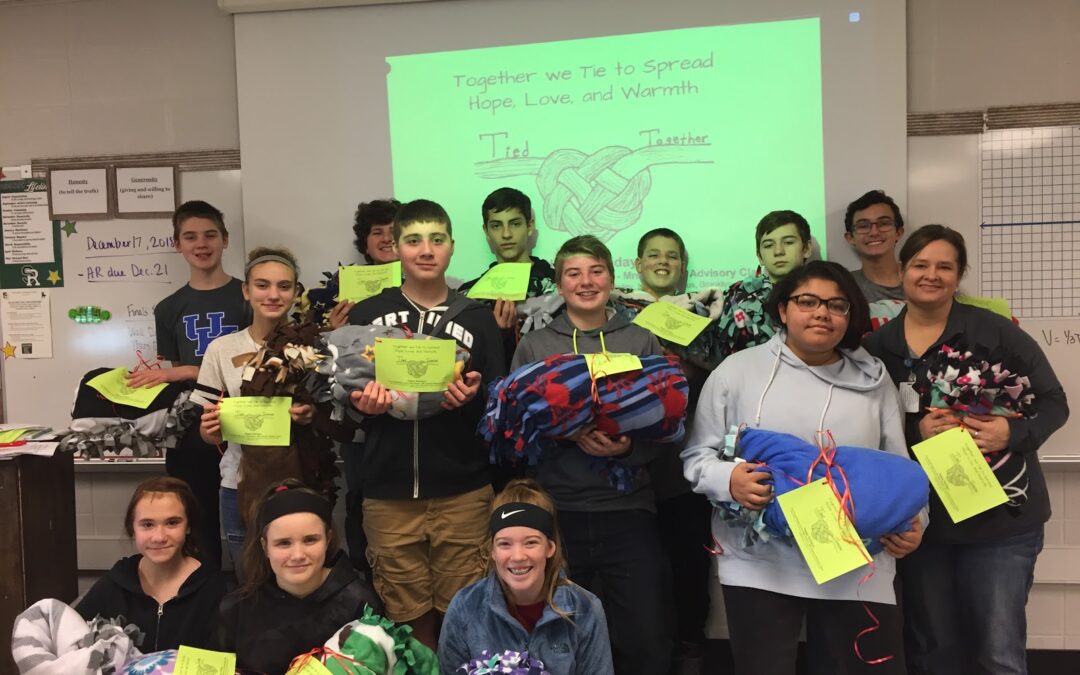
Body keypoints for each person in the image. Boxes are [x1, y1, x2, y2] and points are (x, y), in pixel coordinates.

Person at [682, 260, 924, 675]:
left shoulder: (874, 379)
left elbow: (897, 464)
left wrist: (914, 521)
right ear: (782, 310)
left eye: (836, 305)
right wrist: (731, 480)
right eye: (807, 301)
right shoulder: (737, 372)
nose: (822, 313)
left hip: (854, 559)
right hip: (760, 563)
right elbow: (696, 457)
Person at [863, 225, 1068, 675]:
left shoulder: (998, 334)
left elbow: (1055, 404)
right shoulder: (876, 348)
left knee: (998, 653)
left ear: (959, 275)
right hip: (921, 525)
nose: (931, 275)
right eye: (920, 264)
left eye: (944, 266)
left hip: (1001, 525)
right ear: (901, 271)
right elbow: (865, 429)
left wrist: (1008, 434)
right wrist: (916, 434)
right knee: (931, 649)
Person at [510, 234, 673, 675]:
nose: (586, 282)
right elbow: (514, 430)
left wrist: (628, 446)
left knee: (644, 636)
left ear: (612, 278)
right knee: (562, 636)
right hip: (558, 511)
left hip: (628, 510)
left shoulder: (641, 341)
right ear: (559, 286)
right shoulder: (535, 347)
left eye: (596, 271)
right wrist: (562, 430)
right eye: (573, 274)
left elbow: (666, 427)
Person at [347, 199, 506, 648]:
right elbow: (345, 404)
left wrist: (472, 399)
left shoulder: (477, 317)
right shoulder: (368, 314)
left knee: (464, 616)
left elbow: (497, 403)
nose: (425, 249)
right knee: (405, 621)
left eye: (437, 239)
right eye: (413, 240)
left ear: (452, 247)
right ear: (395, 246)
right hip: (388, 489)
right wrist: (367, 406)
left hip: (463, 490)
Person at [127, 200, 250, 567]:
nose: (202, 244)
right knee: (195, 515)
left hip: (247, 419)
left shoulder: (250, 296)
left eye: (210, 234)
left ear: (225, 240)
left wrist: (177, 372)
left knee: (249, 516)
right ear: (177, 244)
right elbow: (185, 378)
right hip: (194, 424)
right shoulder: (168, 308)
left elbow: (262, 363)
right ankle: (203, 593)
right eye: (190, 236)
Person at [193, 246, 315, 565]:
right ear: (246, 291)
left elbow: (331, 417)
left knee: (299, 576)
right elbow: (209, 435)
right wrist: (211, 431)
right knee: (248, 580)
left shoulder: (315, 348)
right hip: (238, 485)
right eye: (262, 285)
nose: (273, 294)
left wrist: (308, 416)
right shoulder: (221, 349)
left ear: (295, 292)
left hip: (301, 481)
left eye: (284, 286)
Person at [438, 479, 613, 675]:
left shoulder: (585, 608)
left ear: (550, 548)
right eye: (505, 544)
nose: (518, 556)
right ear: (492, 551)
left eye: (530, 543)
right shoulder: (464, 607)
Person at [211, 480, 382, 674]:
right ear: (265, 546)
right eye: (283, 543)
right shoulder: (236, 608)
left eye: (310, 540)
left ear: (328, 539)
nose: (298, 555)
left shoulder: (360, 604)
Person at [76, 477, 226, 652]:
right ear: (132, 528)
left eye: (172, 523)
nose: (159, 537)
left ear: (188, 526)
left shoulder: (212, 589)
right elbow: (69, 639)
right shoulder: (114, 584)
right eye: (147, 524)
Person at [458, 187, 557, 365]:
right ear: (486, 231)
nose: (506, 234)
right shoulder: (469, 296)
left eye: (515, 223)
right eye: (496, 226)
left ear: (530, 226)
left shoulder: (558, 284)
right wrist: (498, 335)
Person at [715, 210, 812, 362]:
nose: (778, 251)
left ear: (806, 248)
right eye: (768, 245)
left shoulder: (825, 293)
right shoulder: (736, 297)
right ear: (759, 256)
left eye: (788, 242)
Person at [844, 190, 906, 303]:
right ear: (850, 238)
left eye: (883, 224)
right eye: (863, 226)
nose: (874, 232)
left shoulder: (920, 279)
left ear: (899, 232)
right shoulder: (844, 286)